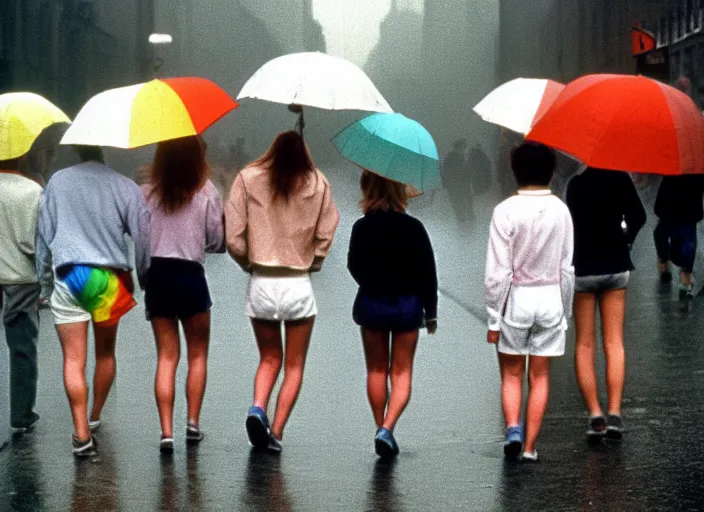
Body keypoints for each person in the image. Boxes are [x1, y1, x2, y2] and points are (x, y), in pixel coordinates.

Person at [225, 131, 339, 453]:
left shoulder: (247, 179)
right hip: (298, 284)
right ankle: (275, 431)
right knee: (294, 365)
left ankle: (257, 407)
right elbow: (327, 231)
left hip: (261, 282)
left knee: (269, 357)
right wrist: (313, 262)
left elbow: (233, 237)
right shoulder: (317, 182)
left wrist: (249, 263)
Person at [36, 146, 150, 457]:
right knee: (105, 354)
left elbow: (44, 235)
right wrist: (142, 278)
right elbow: (142, 237)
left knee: (73, 360)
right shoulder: (125, 186)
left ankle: (81, 433)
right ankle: (95, 415)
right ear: (105, 150)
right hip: (106, 279)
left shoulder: (58, 182)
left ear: (76, 149)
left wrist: (44, 283)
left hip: (70, 273)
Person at [484, 142, 574, 462]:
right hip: (550, 298)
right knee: (541, 375)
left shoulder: (504, 211)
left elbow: (498, 271)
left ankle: (512, 428)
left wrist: (494, 318)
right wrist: (565, 311)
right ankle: (531, 446)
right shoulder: (561, 211)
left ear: (514, 170)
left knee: (511, 373)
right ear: (552, 171)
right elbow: (566, 267)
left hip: (516, 301)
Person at [142, 136, 225, 454]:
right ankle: (192, 423)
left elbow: (140, 239)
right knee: (197, 355)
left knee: (166, 357)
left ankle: (166, 432)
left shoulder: (147, 193)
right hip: (191, 277)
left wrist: (144, 276)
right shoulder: (206, 191)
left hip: (159, 276)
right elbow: (217, 242)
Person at [347, 170, 438, 459]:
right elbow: (428, 273)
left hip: (372, 303)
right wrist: (431, 312)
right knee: (401, 371)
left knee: (375, 370)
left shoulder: (362, 227)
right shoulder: (414, 228)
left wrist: (371, 282)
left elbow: (353, 265)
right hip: (407, 306)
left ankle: (379, 426)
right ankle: (388, 427)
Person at [566, 168, 646, 443]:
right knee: (614, 342)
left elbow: (571, 225)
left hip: (584, 268)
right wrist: (626, 239)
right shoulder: (620, 179)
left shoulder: (575, 185)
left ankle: (595, 414)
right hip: (616, 265)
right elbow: (639, 216)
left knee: (585, 344)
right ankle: (614, 411)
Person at [0, 156, 43, 433]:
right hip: (22, 278)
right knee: (22, 348)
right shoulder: (33, 191)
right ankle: (21, 414)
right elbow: (40, 240)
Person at [653, 174, 704, 299]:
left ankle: (665, 261)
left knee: (663, 235)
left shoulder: (670, 177)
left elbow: (659, 203)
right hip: (688, 217)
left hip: (670, 216)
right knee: (688, 244)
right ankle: (685, 274)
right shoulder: (698, 175)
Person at [442, 139, 475, 226]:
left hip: (454, 185)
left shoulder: (449, 157)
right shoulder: (459, 157)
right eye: (464, 147)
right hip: (461, 184)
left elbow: (444, 172)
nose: (464, 149)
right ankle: (466, 218)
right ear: (460, 147)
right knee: (463, 200)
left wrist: (446, 184)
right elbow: (463, 171)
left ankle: (462, 219)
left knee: (457, 201)